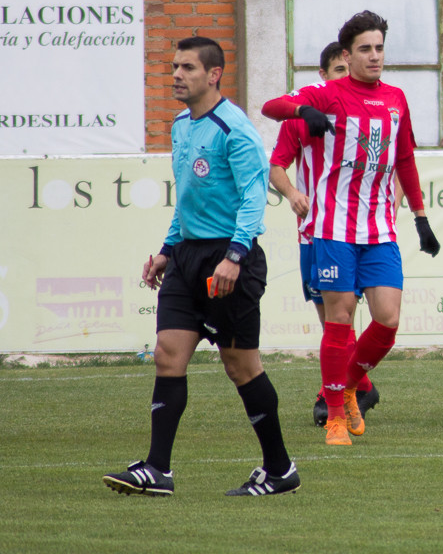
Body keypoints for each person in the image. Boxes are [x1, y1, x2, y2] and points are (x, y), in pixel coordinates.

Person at [103, 36, 299, 497]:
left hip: (231, 258)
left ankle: (280, 469)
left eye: (187, 67)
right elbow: (188, 197)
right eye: (174, 66)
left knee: (241, 367)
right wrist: (168, 250)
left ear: (213, 75)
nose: (176, 74)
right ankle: (157, 470)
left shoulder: (236, 130)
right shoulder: (180, 125)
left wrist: (235, 256)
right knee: (167, 354)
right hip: (189, 258)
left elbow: (254, 198)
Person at [261, 10, 441, 446]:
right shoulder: (328, 93)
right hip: (333, 229)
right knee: (339, 321)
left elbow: (404, 161)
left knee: (388, 321)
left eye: (380, 47)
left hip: (379, 230)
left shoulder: (396, 98)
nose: (375, 56)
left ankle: (343, 385)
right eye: (366, 49)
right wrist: (305, 109)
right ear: (347, 54)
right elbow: (272, 108)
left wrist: (421, 217)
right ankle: (337, 417)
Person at [268, 41, 381, 427]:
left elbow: (397, 165)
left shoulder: (369, 116)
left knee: (350, 318)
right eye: (337, 70)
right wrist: (293, 192)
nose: (344, 78)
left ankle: (339, 391)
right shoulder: (301, 119)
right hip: (314, 234)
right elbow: (277, 166)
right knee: (333, 320)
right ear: (323, 76)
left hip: (359, 231)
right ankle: (356, 385)